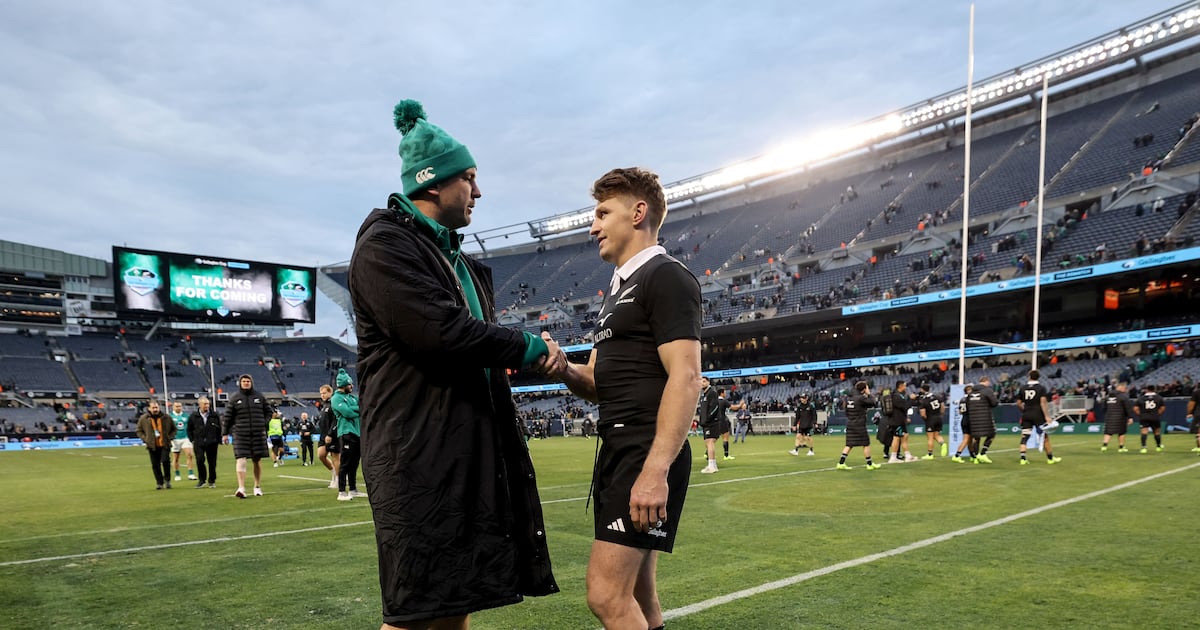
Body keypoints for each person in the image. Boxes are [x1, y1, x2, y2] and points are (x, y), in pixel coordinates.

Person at [348, 99, 557, 628]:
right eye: (469, 178)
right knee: (414, 611)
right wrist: (530, 348)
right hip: (417, 456)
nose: (479, 191)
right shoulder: (385, 246)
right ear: (433, 183)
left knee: (455, 601)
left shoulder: (452, 256)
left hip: (464, 450)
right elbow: (443, 333)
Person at [541, 165, 702, 630]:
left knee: (606, 595)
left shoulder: (665, 276)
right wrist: (565, 368)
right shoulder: (617, 288)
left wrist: (654, 471)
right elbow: (595, 384)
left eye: (601, 212)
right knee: (637, 593)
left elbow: (687, 378)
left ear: (638, 212)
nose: (592, 226)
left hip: (643, 451)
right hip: (619, 448)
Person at [221, 374, 273, 498]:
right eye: (243, 381)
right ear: (240, 383)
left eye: (248, 381)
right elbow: (227, 417)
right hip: (240, 433)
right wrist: (224, 433)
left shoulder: (259, 397)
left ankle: (257, 486)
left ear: (251, 383)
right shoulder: (234, 398)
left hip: (257, 433)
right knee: (241, 459)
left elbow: (269, 412)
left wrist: (263, 423)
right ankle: (241, 488)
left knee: (257, 460)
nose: (246, 383)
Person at [331, 368, 364, 501]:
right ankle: (341, 492)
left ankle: (353, 489)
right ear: (344, 385)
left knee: (355, 463)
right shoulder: (335, 398)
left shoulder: (351, 397)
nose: (352, 386)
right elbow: (347, 413)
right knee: (345, 463)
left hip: (357, 432)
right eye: (350, 384)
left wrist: (355, 409)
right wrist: (358, 410)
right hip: (346, 433)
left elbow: (363, 405)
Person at [1017, 370, 1062, 465]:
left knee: (1025, 436)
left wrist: (1024, 411)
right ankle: (1050, 458)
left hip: (1027, 414)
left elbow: (1019, 403)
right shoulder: (1041, 388)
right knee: (1044, 436)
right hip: (1038, 414)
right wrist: (1047, 416)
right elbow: (1043, 402)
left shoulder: (1022, 388)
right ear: (1038, 377)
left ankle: (1023, 459)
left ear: (1029, 376)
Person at [837, 381, 881, 470]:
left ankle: (840, 463)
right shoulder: (861, 398)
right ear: (864, 389)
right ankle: (869, 464)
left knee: (849, 444)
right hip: (859, 424)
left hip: (850, 423)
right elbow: (873, 402)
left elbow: (846, 411)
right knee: (866, 444)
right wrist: (869, 394)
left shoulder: (849, 398)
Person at [135, 400, 175, 489]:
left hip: (164, 444)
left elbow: (174, 429)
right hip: (152, 445)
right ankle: (159, 483)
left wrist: (170, 437)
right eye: (153, 408)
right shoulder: (144, 419)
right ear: (149, 408)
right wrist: (145, 439)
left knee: (165, 461)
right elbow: (138, 430)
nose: (155, 409)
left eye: (156, 407)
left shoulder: (166, 417)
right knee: (155, 465)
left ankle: (167, 480)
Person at [187, 396, 222, 488]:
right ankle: (202, 480)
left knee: (212, 462)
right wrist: (192, 439)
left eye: (208, 404)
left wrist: (219, 439)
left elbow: (219, 428)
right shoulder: (193, 416)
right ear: (199, 405)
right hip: (199, 442)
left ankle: (212, 480)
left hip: (212, 442)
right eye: (205, 404)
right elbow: (189, 429)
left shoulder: (214, 415)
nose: (207, 406)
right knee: (200, 460)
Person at [964, 377, 1000, 464]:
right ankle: (983, 453)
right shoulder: (987, 390)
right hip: (985, 417)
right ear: (986, 381)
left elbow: (967, 405)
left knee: (976, 438)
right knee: (992, 434)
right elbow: (994, 403)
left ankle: (976, 457)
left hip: (973, 418)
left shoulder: (971, 393)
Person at [886, 381, 918, 463]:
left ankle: (907, 456)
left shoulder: (900, 395)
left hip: (900, 420)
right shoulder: (896, 396)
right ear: (900, 386)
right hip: (896, 421)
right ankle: (893, 457)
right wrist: (911, 399)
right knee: (896, 438)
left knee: (904, 436)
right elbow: (905, 406)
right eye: (904, 386)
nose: (906, 387)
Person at [315, 384, 340, 489]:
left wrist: (330, 434)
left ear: (330, 392)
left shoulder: (333, 403)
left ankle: (338, 479)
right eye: (321, 394)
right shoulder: (324, 405)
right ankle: (333, 472)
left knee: (335, 457)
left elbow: (336, 420)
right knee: (321, 455)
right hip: (323, 435)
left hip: (332, 435)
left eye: (324, 393)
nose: (322, 395)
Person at [1100, 383, 1136, 452]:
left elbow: (1104, 408)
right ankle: (1121, 447)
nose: (1125, 390)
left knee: (1108, 432)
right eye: (1125, 388)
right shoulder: (1123, 397)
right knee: (1121, 432)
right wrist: (1130, 417)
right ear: (1121, 388)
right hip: (1121, 417)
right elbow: (1128, 408)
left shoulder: (1108, 397)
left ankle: (1104, 446)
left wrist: (1108, 414)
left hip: (1109, 417)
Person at [698, 377, 722, 473]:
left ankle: (711, 466)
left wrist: (708, 419)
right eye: (701, 381)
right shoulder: (704, 395)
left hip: (712, 422)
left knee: (710, 442)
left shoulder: (712, 393)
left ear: (708, 382)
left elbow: (715, 407)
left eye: (704, 381)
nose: (702, 383)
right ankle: (712, 465)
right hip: (706, 423)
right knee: (707, 443)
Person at [918, 384, 947, 459]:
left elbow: (923, 413)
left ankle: (930, 454)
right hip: (939, 417)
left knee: (930, 437)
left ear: (922, 389)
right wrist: (941, 415)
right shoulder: (937, 396)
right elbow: (943, 407)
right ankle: (943, 444)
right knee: (936, 435)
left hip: (931, 419)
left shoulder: (924, 400)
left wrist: (926, 419)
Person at [1133, 383, 1165, 453]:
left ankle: (1144, 447)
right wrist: (1157, 413)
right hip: (1155, 417)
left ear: (1146, 390)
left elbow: (1135, 408)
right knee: (1157, 432)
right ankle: (1158, 446)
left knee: (1144, 432)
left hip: (1144, 417)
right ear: (1154, 389)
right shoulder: (1159, 397)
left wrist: (1140, 414)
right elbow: (1162, 408)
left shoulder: (1141, 398)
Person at [169, 401, 196, 482]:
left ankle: (191, 473)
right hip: (175, 439)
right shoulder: (170, 417)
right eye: (177, 406)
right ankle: (177, 474)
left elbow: (191, 427)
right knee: (176, 458)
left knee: (190, 454)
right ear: (173, 407)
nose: (178, 408)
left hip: (185, 438)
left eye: (180, 406)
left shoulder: (186, 416)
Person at [951, 384, 975, 463]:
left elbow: (960, 411)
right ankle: (957, 455)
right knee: (967, 439)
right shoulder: (971, 399)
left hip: (964, 419)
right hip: (970, 419)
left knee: (969, 440)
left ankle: (972, 456)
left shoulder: (962, 399)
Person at [1188, 384, 1200, 453]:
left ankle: (1199, 448)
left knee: (1198, 431)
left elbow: (1191, 404)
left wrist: (1189, 413)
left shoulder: (1196, 392)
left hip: (1198, 413)